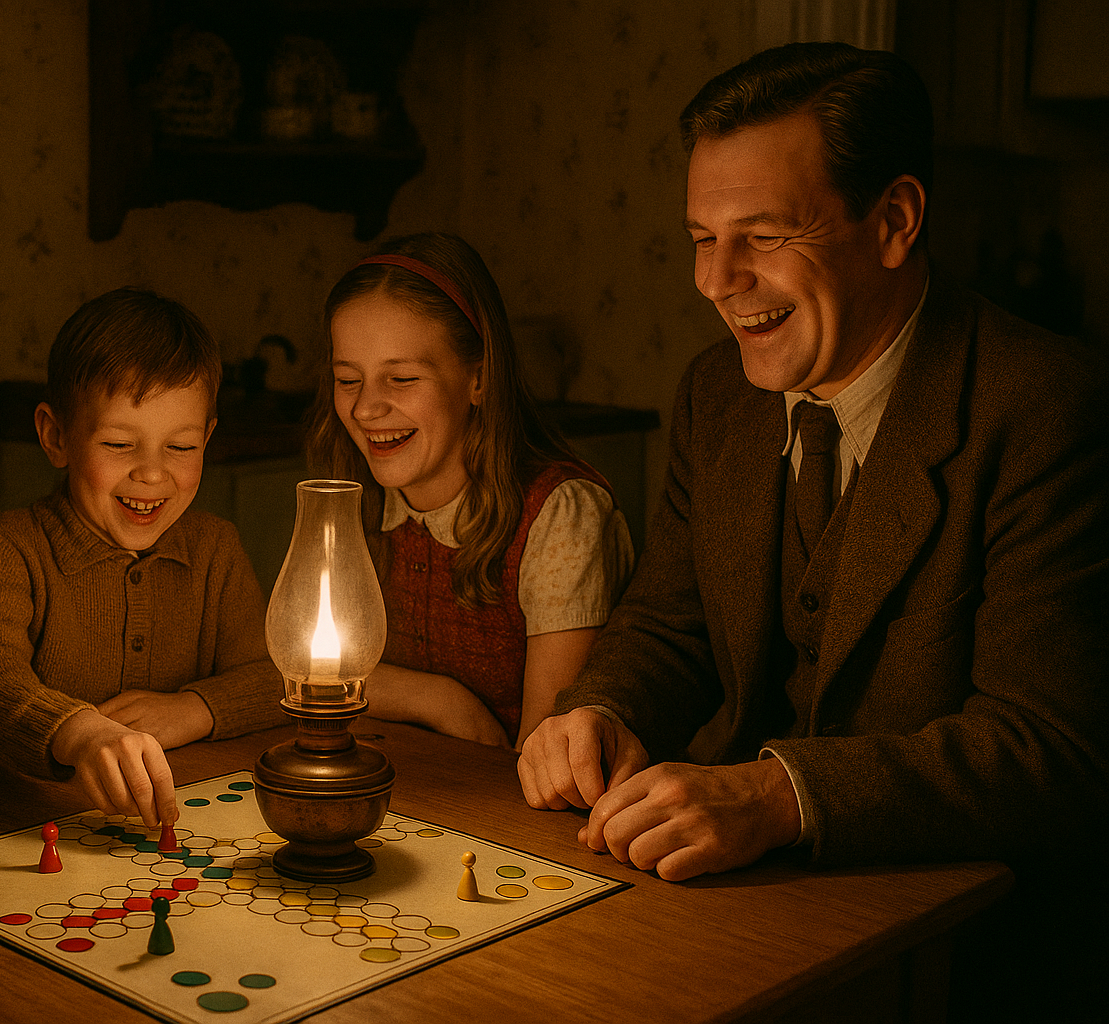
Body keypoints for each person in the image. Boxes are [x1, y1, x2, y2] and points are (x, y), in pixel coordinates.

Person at [517, 43, 1108, 1018]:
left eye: (762, 233)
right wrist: (603, 713)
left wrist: (774, 795)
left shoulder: (1045, 409)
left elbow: (1049, 750)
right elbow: (670, 621)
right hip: (731, 926)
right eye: (700, 236)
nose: (717, 280)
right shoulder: (715, 395)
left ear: (894, 221)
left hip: (962, 959)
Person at [0, 287, 286, 830]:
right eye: (119, 445)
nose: (152, 474)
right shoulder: (5, 549)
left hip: (178, 825)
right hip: (27, 827)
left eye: (180, 446)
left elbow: (274, 679)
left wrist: (194, 709)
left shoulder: (215, 548)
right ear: (56, 437)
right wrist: (76, 732)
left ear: (208, 439)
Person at [308, 233, 634, 751]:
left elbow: (547, 754)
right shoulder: (349, 501)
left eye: (403, 378)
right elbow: (303, 676)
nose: (367, 408)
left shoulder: (558, 517)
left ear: (478, 379)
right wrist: (439, 700)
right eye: (348, 379)